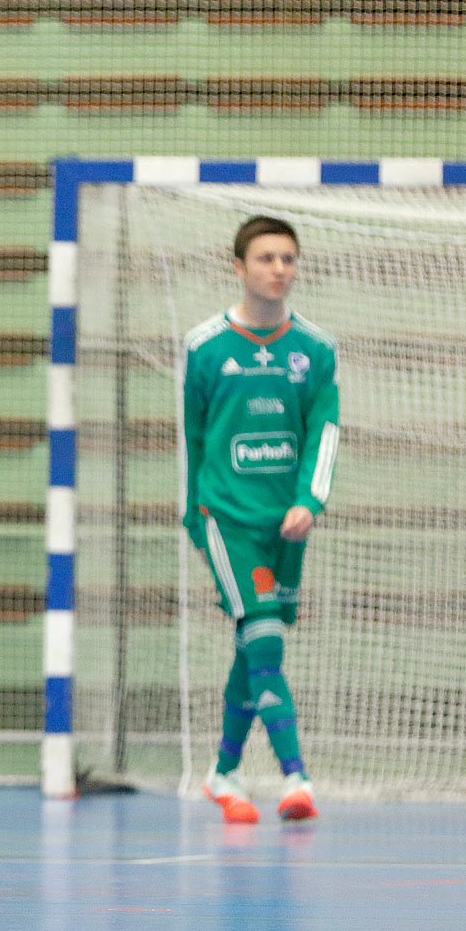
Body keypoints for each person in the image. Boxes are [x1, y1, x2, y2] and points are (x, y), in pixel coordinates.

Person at [182, 214, 338, 824]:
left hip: (288, 523)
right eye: (268, 258)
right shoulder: (205, 347)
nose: (280, 269)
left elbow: (324, 429)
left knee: (254, 647)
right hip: (226, 517)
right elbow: (190, 439)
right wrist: (195, 518)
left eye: (289, 259)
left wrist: (311, 500)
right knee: (265, 642)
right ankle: (296, 778)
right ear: (239, 267)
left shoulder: (315, 349)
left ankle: (223, 773)